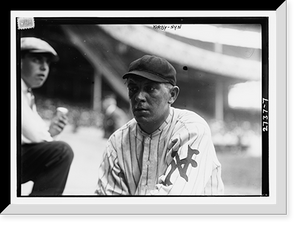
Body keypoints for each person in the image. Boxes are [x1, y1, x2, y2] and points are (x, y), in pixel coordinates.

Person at [96, 55, 224, 195]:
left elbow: (173, 203)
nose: (139, 97)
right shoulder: (117, 142)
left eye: (150, 88)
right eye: (133, 88)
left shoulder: (192, 129)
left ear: (172, 95)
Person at [20, 37, 74, 196]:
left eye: (48, 63)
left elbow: (35, 131)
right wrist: (48, 136)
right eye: (37, 60)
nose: (44, 67)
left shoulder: (27, 93)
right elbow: (34, 133)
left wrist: (50, 131)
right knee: (61, 152)